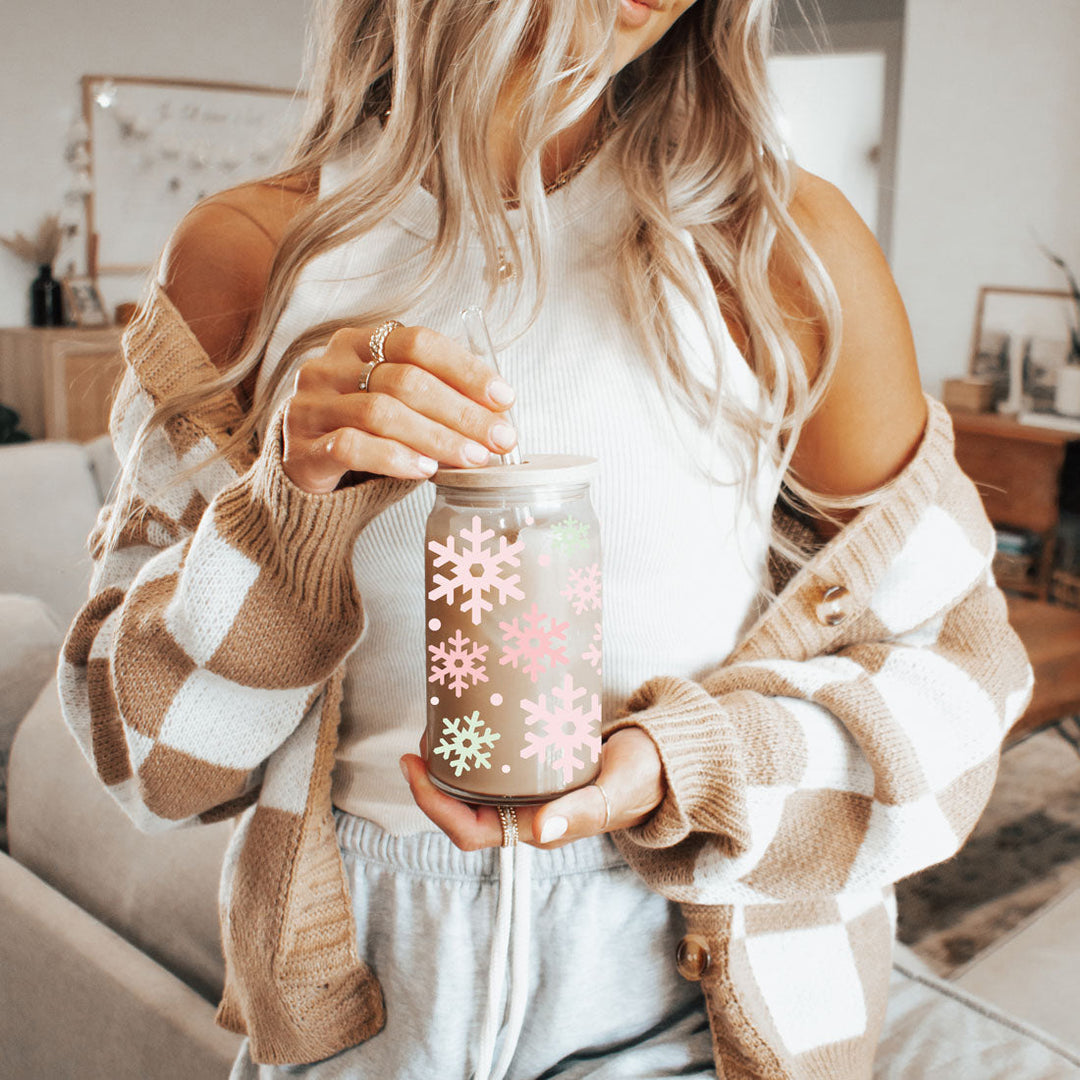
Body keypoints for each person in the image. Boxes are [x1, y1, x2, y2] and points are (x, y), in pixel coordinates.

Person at [58, 0, 1032, 1077]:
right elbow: (148, 767)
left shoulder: (779, 251)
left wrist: (688, 767)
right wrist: (287, 510)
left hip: (695, 999)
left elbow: (963, 682)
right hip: (365, 1012)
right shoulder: (251, 255)